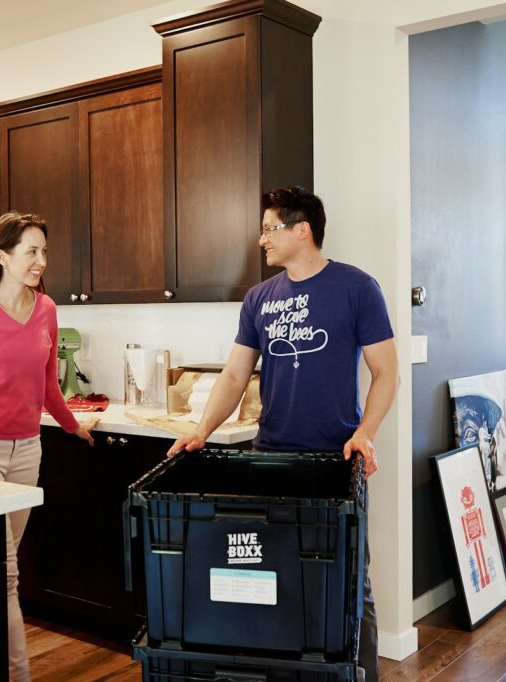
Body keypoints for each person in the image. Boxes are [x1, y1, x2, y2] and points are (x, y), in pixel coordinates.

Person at [167, 186, 399, 681]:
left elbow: (386, 373)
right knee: (274, 576)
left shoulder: (357, 288)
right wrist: (201, 431)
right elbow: (234, 376)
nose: (261, 240)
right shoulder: (259, 298)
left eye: (270, 228)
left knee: (350, 582)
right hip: (270, 457)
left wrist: (365, 434)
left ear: (302, 230)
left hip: (335, 461)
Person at [0, 211, 99, 682]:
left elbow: (49, 386)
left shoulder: (47, 309)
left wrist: (73, 425)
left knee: (1, 568)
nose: (41, 260)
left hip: (28, 449)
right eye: (32, 251)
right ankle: (18, 674)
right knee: (6, 570)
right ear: (3, 256)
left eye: (44, 251)